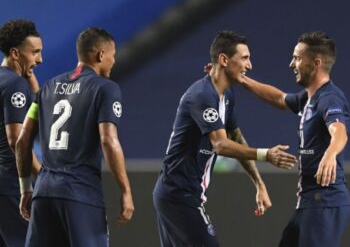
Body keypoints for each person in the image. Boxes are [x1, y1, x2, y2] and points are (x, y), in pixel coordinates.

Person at [153, 30, 297, 247]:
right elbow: (220, 144)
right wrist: (265, 154)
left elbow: (236, 138)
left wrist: (259, 183)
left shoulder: (226, 96)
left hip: (181, 194)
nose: (250, 65)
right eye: (245, 58)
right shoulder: (202, 95)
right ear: (223, 59)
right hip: (178, 195)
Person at [16, 28, 134, 247]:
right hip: (80, 194)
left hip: (43, 194)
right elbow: (108, 140)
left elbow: (22, 141)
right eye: (112, 54)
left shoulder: (46, 88)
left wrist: (26, 189)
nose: (114, 61)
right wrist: (125, 190)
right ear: (100, 55)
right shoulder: (105, 89)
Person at [236, 31, 350, 247]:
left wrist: (330, 153)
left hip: (325, 202)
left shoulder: (329, 98)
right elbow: (279, 98)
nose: (291, 64)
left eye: (297, 58)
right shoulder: (309, 98)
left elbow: (340, 131)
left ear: (316, 63)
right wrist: (241, 79)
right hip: (309, 202)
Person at [0, 19, 42, 247]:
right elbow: (16, 139)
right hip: (9, 184)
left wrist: (29, 75)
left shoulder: (8, 81)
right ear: (16, 53)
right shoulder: (15, 86)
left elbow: (41, 104)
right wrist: (41, 174)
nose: (40, 59)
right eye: (34, 52)